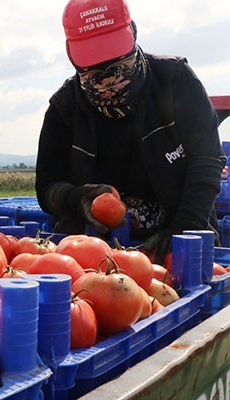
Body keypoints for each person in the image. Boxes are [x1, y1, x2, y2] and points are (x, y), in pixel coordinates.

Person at [35, 0, 225, 263]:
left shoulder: (175, 81)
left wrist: (184, 228)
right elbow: (47, 185)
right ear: (70, 54)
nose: (109, 80)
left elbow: (206, 160)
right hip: (91, 252)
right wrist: (75, 198)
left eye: (117, 62)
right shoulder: (64, 108)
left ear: (133, 32)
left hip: (179, 238)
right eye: (94, 70)